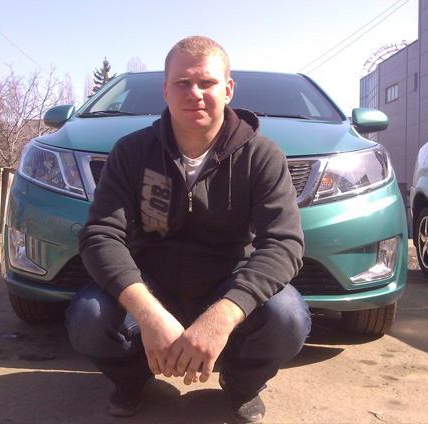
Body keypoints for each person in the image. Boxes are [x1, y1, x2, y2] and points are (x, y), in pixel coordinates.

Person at [66, 35, 311, 424]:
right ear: (165, 90)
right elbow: (100, 235)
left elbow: (283, 244)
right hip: (151, 284)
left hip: (226, 284)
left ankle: (241, 386)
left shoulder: (263, 156)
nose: (194, 93)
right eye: (182, 82)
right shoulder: (131, 152)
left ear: (227, 89)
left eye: (206, 82)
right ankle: (133, 381)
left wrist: (224, 315)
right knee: (87, 316)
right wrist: (148, 314)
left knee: (288, 316)